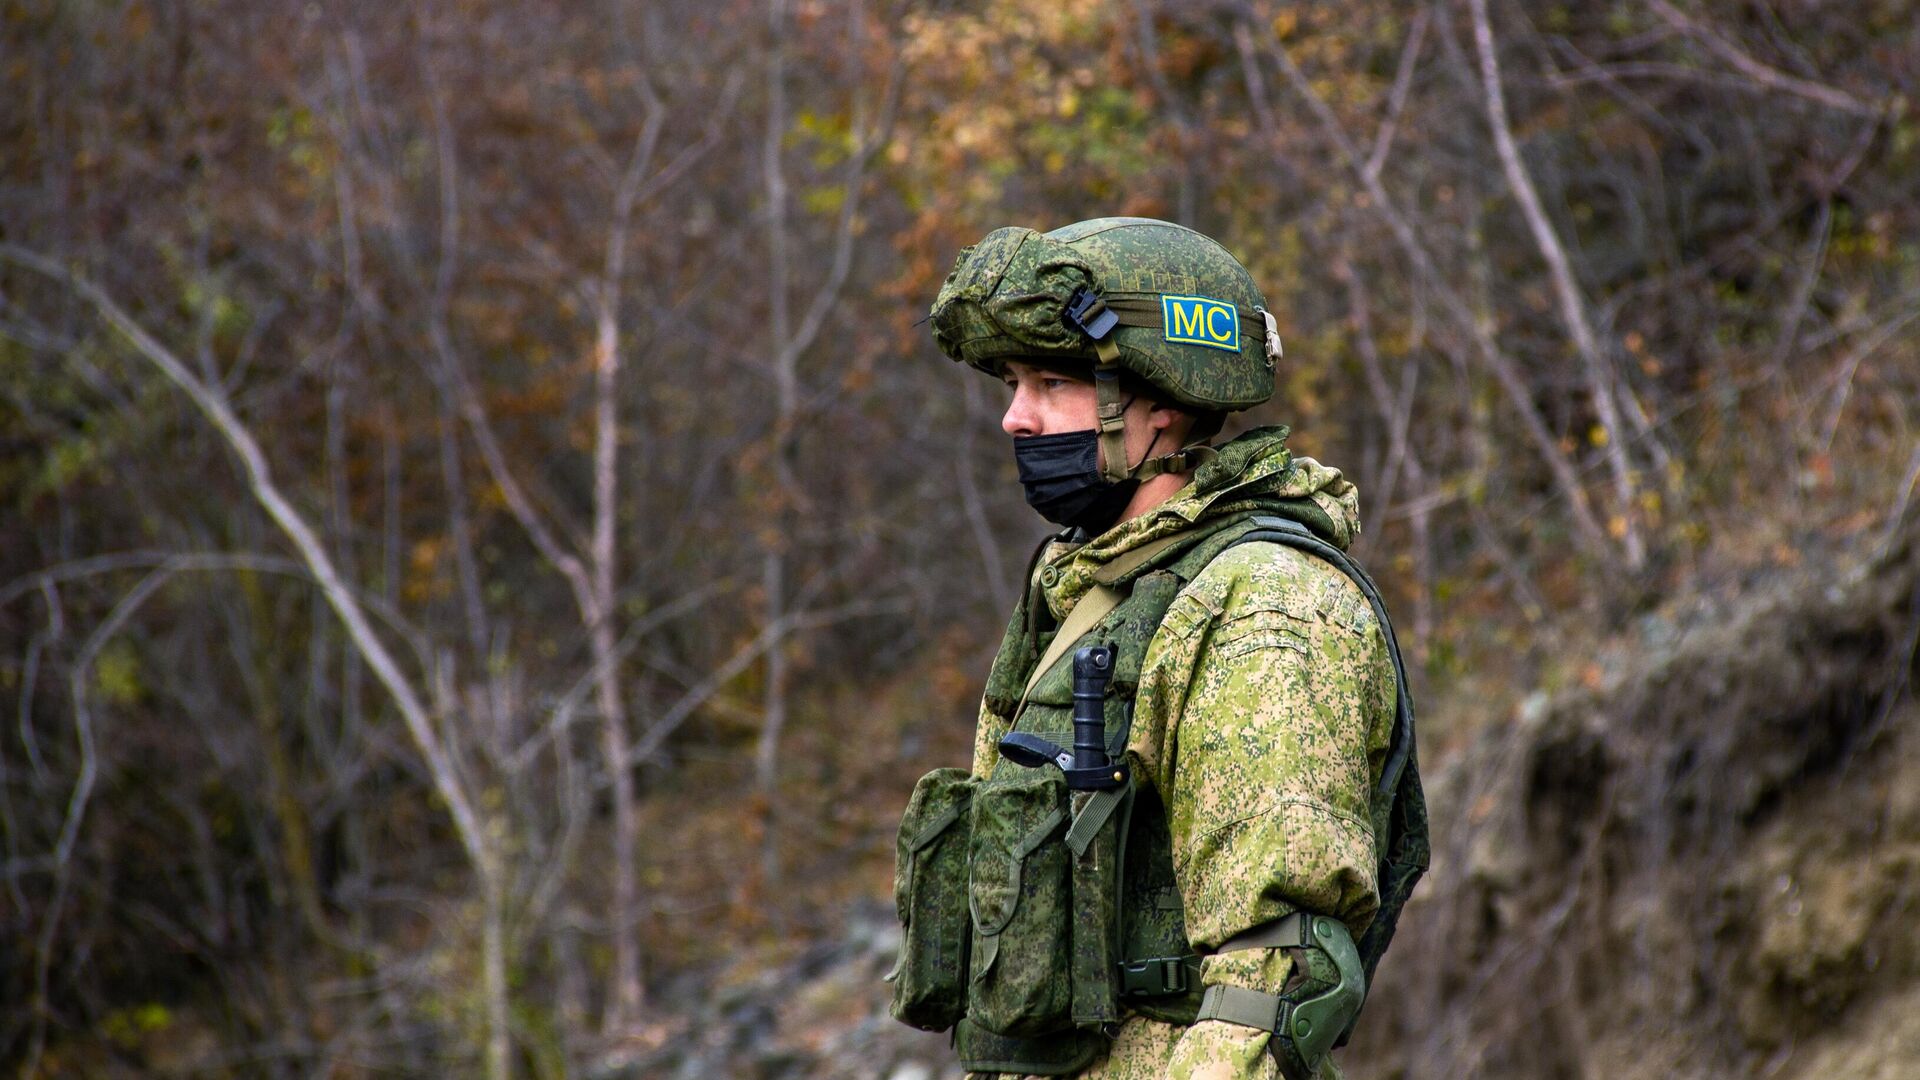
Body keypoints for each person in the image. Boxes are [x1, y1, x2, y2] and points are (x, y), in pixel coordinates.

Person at [888, 217, 1426, 1080]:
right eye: (1014, 383)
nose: (1014, 419)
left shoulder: (1264, 604)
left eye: (1051, 383)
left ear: (1161, 400)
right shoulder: (1087, 586)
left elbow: (1275, 972)